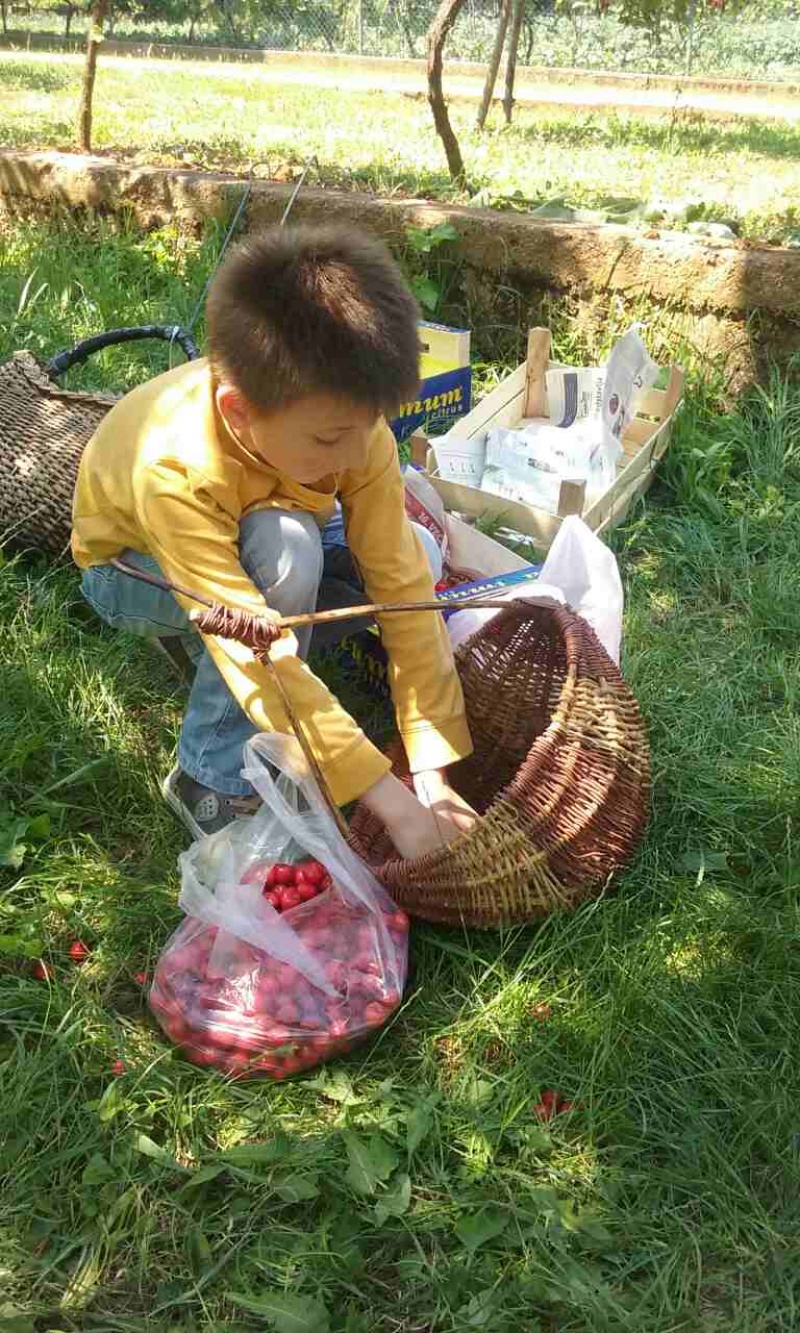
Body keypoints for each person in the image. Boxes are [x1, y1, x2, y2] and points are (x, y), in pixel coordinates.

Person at [72, 224, 478, 858]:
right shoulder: (174, 466)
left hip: (281, 508)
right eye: (328, 440)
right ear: (238, 412)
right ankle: (209, 772)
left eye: (369, 428)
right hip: (130, 568)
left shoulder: (346, 425)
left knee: (415, 557)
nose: (357, 453)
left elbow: (399, 586)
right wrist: (390, 803)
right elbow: (249, 645)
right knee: (286, 552)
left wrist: (431, 771)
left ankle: (306, 704)